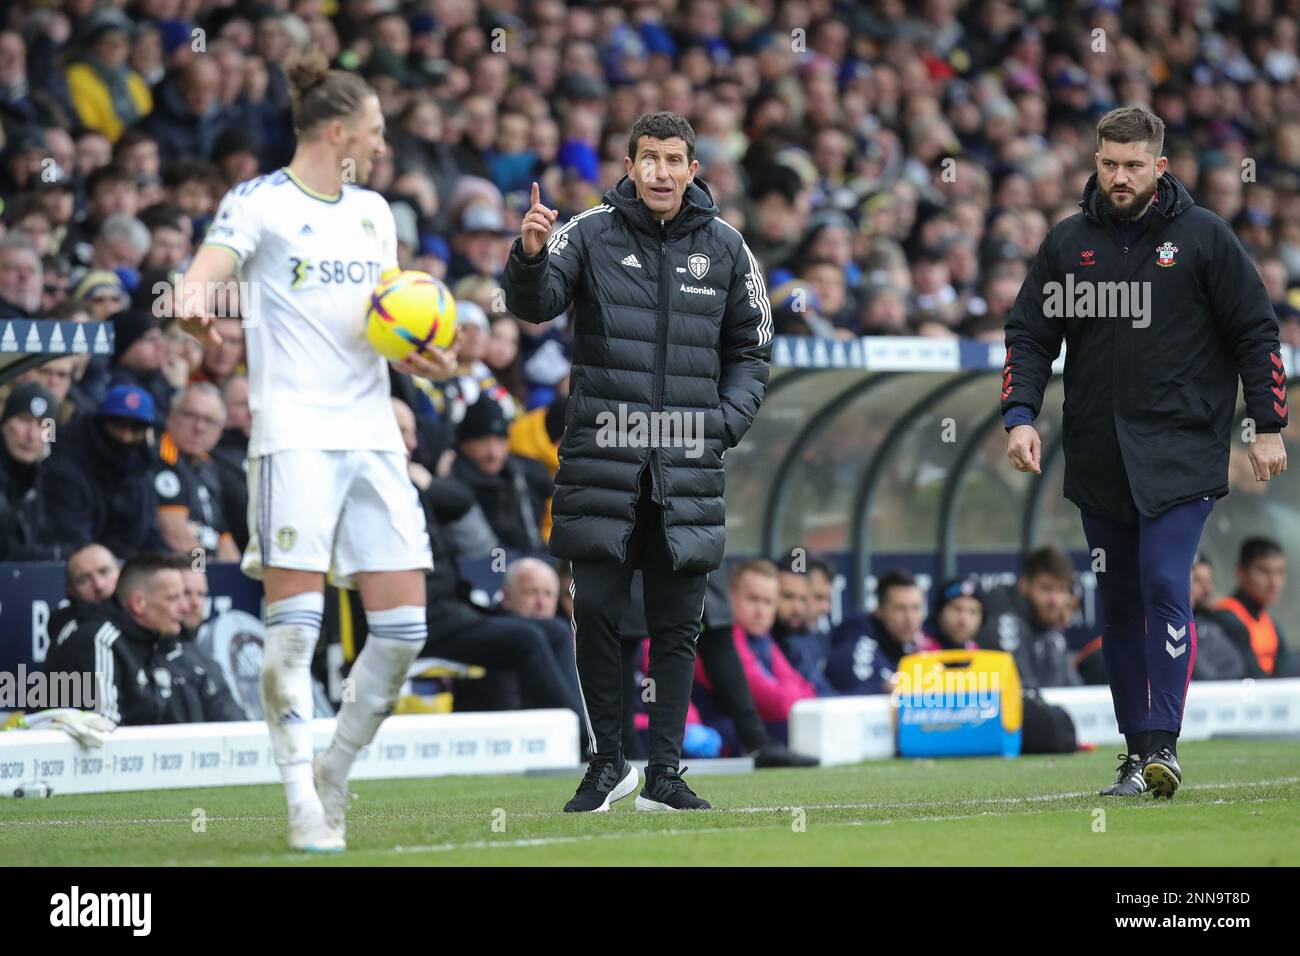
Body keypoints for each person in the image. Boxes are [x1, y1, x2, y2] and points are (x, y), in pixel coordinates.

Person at [179, 51, 455, 852]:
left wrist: (427, 358)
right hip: (293, 437)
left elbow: (391, 323)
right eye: (372, 131)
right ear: (337, 131)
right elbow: (198, 286)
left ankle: (336, 768)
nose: (380, 144)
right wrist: (201, 317)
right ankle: (301, 798)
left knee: (403, 631)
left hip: (372, 434)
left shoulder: (376, 214)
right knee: (294, 632)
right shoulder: (257, 203)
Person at [1003, 106, 1288, 798]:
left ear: (1160, 167)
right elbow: (1029, 335)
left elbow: (1257, 330)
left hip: (1182, 450)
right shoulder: (1069, 245)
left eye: (1134, 165)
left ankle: (1164, 742)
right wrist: (1019, 416)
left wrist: (1268, 422)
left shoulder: (1203, 238)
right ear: (1095, 164)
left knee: (1165, 582)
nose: (1120, 176)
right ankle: (1135, 755)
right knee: (1118, 603)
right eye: (1109, 164)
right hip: (1099, 453)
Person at [502, 111, 772, 812]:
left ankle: (665, 771)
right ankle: (606, 763)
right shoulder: (585, 232)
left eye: (674, 159)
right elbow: (536, 304)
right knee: (594, 609)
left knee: (679, 623)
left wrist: (721, 426)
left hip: (687, 466)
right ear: (628, 164)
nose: (660, 171)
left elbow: (752, 349)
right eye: (648, 158)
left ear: (692, 169)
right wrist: (529, 256)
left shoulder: (728, 248)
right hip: (602, 460)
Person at [44, 553, 244, 725]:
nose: (184, 608)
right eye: (173, 598)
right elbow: (104, 734)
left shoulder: (162, 643)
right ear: (138, 603)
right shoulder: (99, 641)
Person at [40, 384, 167, 559]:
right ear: (100, 421)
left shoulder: (142, 467)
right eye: (118, 425)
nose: (125, 437)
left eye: (135, 429)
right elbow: (72, 539)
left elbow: (149, 533)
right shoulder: (67, 463)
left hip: (126, 568)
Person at [451, 396, 552, 552]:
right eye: (483, 441)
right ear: (464, 443)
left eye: (500, 441)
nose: (493, 453)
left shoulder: (522, 475)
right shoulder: (450, 480)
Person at [153, 383, 240, 562]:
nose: (199, 427)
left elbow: (223, 536)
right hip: (176, 571)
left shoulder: (208, 464)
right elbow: (176, 537)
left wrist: (235, 576)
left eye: (210, 421)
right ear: (171, 416)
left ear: (219, 431)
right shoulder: (163, 458)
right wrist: (204, 573)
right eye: (191, 415)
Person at [976, 547, 1082, 689]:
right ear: (1024, 585)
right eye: (1046, 588)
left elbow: (1074, 688)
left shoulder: (1048, 623)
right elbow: (1022, 693)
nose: (1054, 600)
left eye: (1061, 589)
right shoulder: (1005, 623)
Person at [1214, 537, 1294, 678]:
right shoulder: (1224, 618)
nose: (1274, 582)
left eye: (1280, 572)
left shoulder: (1271, 625)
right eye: (1264, 571)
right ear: (1240, 572)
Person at [0, 381, 63, 560]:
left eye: (43, 425)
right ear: (4, 423)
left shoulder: (49, 476)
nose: (32, 435)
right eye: (23, 420)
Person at [47, 542, 121, 646]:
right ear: (71, 590)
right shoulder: (71, 630)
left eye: (104, 571)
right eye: (84, 579)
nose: (99, 585)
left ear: (121, 572)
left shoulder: (142, 614)